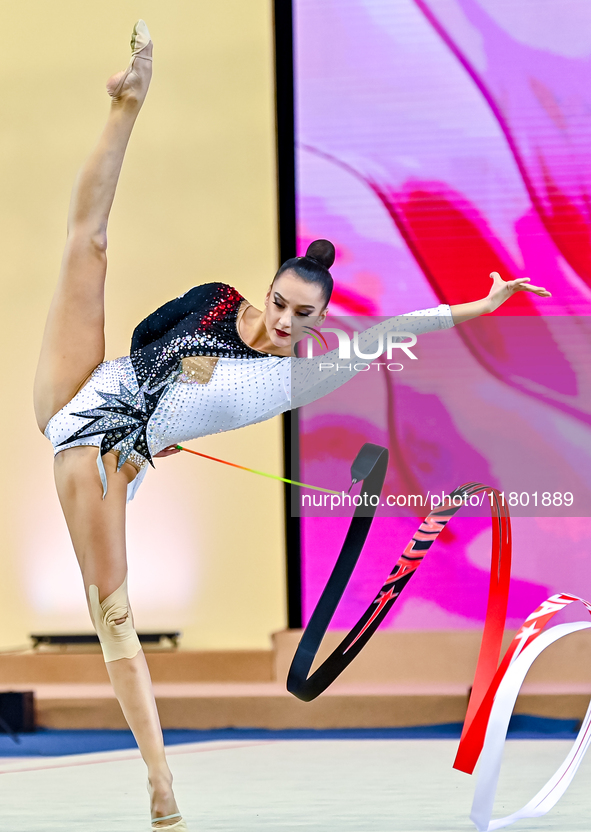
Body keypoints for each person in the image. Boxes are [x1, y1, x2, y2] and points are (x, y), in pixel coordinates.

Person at [32, 21, 551, 831]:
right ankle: (127, 103)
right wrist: (164, 399)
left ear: (317, 320)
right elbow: (146, 339)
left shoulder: (293, 375)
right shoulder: (213, 297)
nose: (281, 321)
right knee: (87, 248)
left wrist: (476, 306)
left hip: (100, 454)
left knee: (114, 617)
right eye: (278, 303)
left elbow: (387, 337)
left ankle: (160, 783)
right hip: (88, 386)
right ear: (267, 288)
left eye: (300, 316)